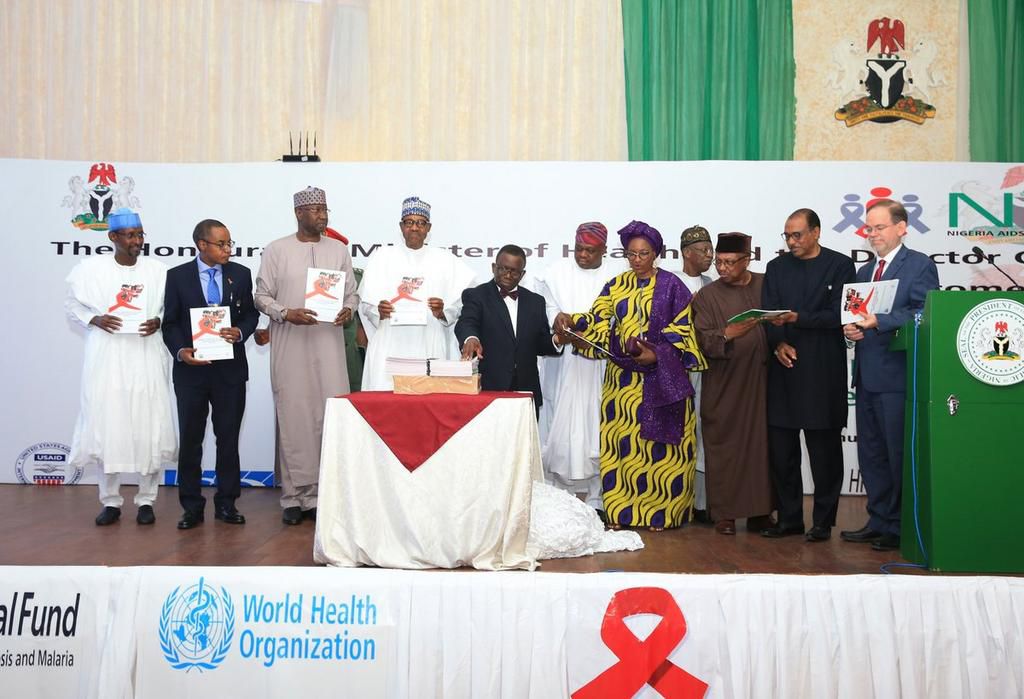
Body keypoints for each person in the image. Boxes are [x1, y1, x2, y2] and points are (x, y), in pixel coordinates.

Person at [553, 220, 706, 531]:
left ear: (657, 254)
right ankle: (623, 514)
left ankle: (661, 515)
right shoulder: (616, 286)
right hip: (623, 386)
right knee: (623, 448)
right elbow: (598, 320)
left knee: (663, 454)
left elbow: (684, 331)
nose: (637, 260)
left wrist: (658, 354)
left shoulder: (673, 286)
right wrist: (573, 322)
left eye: (644, 254)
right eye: (632, 254)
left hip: (663, 381)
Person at [65, 208, 176, 526]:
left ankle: (146, 500)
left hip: (145, 353)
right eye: (131, 235)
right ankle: (110, 501)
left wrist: (160, 320)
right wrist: (95, 318)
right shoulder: (90, 269)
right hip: (108, 355)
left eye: (141, 234)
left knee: (148, 423)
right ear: (113, 237)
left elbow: (173, 307)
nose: (138, 241)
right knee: (108, 423)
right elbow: (72, 304)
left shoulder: (159, 271)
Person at [254, 187, 358, 525]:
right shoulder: (277, 250)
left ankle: (321, 496)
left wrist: (347, 310)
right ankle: (292, 498)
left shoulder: (339, 250)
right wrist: (285, 312)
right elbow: (261, 295)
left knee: (327, 415)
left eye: (325, 209)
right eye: (315, 210)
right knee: (294, 415)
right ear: (299, 213)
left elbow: (351, 295)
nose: (322, 215)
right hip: (291, 343)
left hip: (328, 344)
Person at [841, 199, 939, 552]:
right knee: (872, 454)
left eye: (879, 227)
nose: (873, 234)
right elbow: (854, 318)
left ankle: (899, 527)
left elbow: (922, 314)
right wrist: (851, 331)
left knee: (897, 453)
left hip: (898, 378)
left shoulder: (919, 266)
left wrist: (880, 321)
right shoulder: (865, 272)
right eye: (869, 228)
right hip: (865, 376)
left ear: (901, 227)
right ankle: (879, 519)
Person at [761, 209, 856, 542]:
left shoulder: (841, 265)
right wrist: (777, 344)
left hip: (822, 371)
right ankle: (789, 519)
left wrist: (798, 318)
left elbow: (839, 315)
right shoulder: (775, 267)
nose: (791, 242)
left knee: (824, 455)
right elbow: (767, 314)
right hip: (783, 370)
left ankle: (823, 522)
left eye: (797, 235)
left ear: (816, 232)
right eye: (787, 236)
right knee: (782, 452)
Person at [162, 219, 260, 530]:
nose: (228, 249)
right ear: (202, 245)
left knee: (227, 439)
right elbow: (171, 323)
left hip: (229, 372)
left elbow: (251, 315)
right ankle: (191, 507)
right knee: (191, 441)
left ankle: (227, 503)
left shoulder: (240, 274)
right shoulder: (177, 276)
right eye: (222, 244)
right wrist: (181, 351)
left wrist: (241, 331)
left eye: (230, 243)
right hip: (191, 373)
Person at [691, 233, 775, 536]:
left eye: (729, 262)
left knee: (763, 446)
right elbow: (702, 339)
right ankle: (724, 513)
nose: (722, 268)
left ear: (747, 260)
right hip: (725, 383)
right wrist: (728, 334)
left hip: (765, 381)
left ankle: (761, 513)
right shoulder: (707, 296)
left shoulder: (766, 284)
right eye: (719, 262)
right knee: (723, 444)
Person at [533, 222, 615, 516]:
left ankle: (598, 499)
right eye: (579, 249)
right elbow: (546, 305)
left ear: (604, 250)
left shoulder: (616, 277)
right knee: (557, 425)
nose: (582, 255)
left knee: (598, 425)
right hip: (563, 361)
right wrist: (556, 318)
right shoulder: (555, 273)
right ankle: (558, 496)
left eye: (590, 251)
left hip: (599, 365)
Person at [358, 196, 475, 390]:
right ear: (401, 226)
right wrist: (379, 310)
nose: (414, 228)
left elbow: (464, 300)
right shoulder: (382, 258)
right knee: (386, 403)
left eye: (421, 223)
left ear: (428, 228)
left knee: (427, 402)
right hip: (390, 342)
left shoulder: (445, 259)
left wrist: (443, 311)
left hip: (428, 341)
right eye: (409, 222)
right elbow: (366, 303)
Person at [455, 244, 562, 411]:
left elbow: (540, 343)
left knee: (525, 438)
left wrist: (556, 339)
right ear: (493, 267)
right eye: (503, 269)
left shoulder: (536, 301)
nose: (508, 275)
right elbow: (466, 322)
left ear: (523, 274)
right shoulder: (476, 295)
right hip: (489, 387)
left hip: (526, 390)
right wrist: (471, 338)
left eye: (514, 271)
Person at [674, 224, 715, 523]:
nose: (710, 255)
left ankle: (701, 504)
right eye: (703, 250)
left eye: (711, 249)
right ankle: (675, 501)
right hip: (675, 369)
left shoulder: (713, 284)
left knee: (703, 430)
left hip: (707, 369)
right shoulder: (669, 283)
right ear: (687, 253)